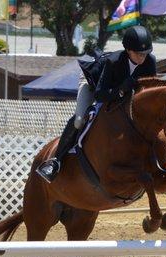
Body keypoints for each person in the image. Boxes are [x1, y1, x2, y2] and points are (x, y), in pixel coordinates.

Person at [36, 25, 157, 183]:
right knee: (80, 119)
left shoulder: (150, 62)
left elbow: (150, 89)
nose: (142, 57)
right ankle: (55, 161)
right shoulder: (113, 62)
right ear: (128, 50)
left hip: (122, 96)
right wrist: (121, 90)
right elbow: (100, 95)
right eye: (138, 53)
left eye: (145, 53)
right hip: (94, 86)